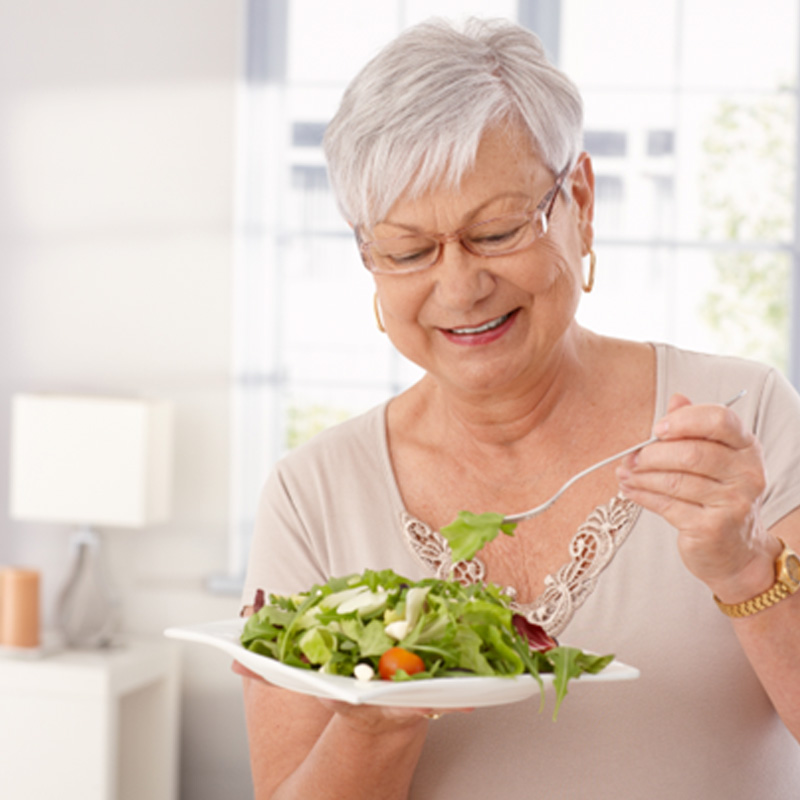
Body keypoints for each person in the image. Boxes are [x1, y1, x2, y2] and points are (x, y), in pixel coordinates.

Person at [237, 17, 800, 799]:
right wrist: (378, 710)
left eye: (497, 231)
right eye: (408, 252)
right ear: (367, 258)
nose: (461, 287)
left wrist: (746, 572)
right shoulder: (312, 494)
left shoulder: (746, 420)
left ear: (579, 200)